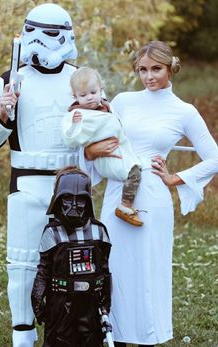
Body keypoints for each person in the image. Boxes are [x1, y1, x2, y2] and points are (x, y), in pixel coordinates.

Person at [81, 41, 218, 346]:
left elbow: (214, 157)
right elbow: (102, 139)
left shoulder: (183, 110)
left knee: (147, 268)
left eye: (156, 68)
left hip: (153, 198)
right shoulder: (124, 101)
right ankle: (112, 335)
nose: (149, 76)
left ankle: (146, 336)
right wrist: (92, 154)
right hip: (118, 192)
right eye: (142, 69)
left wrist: (175, 178)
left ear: (171, 68)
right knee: (113, 266)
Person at [0, 3, 79, 346]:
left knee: (72, 259)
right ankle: (22, 333)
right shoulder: (7, 82)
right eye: (38, 32)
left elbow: (101, 135)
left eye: (54, 34)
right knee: (21, 264)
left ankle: (66, 330)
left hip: (71, 184)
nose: (44, 42)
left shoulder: (80, 80)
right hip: (26, 183)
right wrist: (5, 115)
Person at [31, 166, 112, 347]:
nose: (74, 205)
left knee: (92, 340)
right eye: (67, 198)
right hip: (60, 304)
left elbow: (105, 270)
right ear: (58, 198)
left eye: (80, 199)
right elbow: (43, 269)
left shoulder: (99, 231)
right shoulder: (52, 233)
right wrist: (38, 299)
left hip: (91, 303)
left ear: (88, 200)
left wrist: (106, 301)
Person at [61, 66, 143, 227]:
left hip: (118, 151)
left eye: (93, 92)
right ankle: (125, 207)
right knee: (134, 172)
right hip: (106, 157)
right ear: (75, 96)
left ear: (101, 89)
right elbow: (71, 139)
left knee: (135, 169)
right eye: (83, 95)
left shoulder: (106, 107)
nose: (90, 98)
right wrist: (76, 125)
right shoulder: (79, 115)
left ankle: (125, 205)